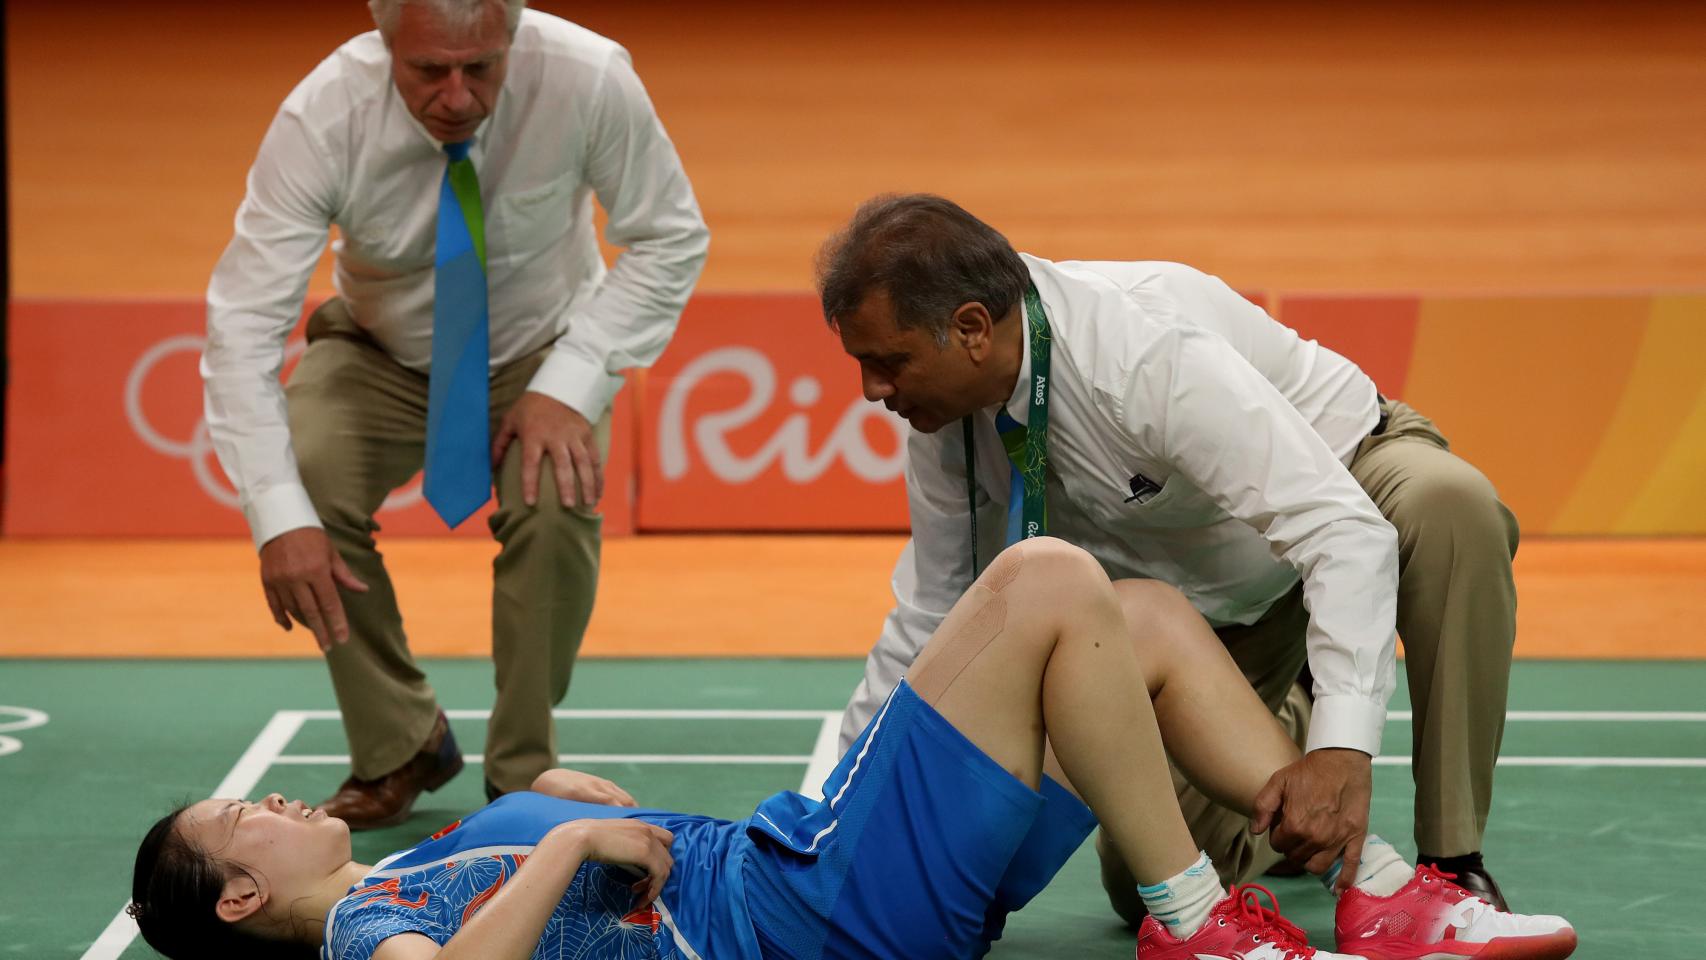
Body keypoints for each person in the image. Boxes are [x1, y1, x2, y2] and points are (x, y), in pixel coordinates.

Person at [129, 540, 1574, 960]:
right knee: (1042, 580)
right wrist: (565, 841)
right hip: (804, 910)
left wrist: (533, 801)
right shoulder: (362, 929)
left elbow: (516, 895)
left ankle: (1375, 888)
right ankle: (1198, 924)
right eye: (237, 817)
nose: (269, 799)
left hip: (810, 882)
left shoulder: (413, 869)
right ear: (241, 896)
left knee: (1129, 617)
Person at [819, 194, 1526, 913]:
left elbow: (1342, 531)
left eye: (887, 362)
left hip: (1341, 486)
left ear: (971, 328)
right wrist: (839, 814)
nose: (873, 390)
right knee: (1140, 883)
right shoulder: (945, 428)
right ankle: (1294, 703)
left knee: (1450, 508)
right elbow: (936, 618)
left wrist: (1342, 751)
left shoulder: (1136, 352)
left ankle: (1450, 863)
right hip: (1210, 607)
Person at [201, 0, 709, 827]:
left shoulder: (590, 77)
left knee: (554, 501)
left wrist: (571, 383)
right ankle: (400, 742)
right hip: (378, 352)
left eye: (482, 68)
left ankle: (523, 773)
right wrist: (275, 515)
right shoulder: (323, 113)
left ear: (514, 38)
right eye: (429, 70)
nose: (458, 95)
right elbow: (244, 322)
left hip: (542, 351)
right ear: (385, 42)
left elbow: (668, 236)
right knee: (307, 488)